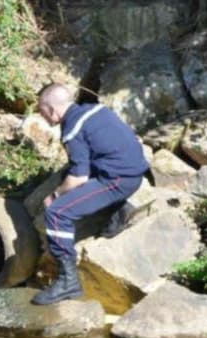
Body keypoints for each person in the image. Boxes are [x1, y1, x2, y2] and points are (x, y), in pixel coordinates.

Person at [32, 83, 149, 305]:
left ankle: (68, 282)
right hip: (135, 172)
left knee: (57, 214)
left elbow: (78, 178)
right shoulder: (94, 110)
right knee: (73, 171)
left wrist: (54, 196)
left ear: (50, 110)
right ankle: (117, 211)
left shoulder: (72, 129)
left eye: (40, 110)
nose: (41, 115)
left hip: (117, 181)